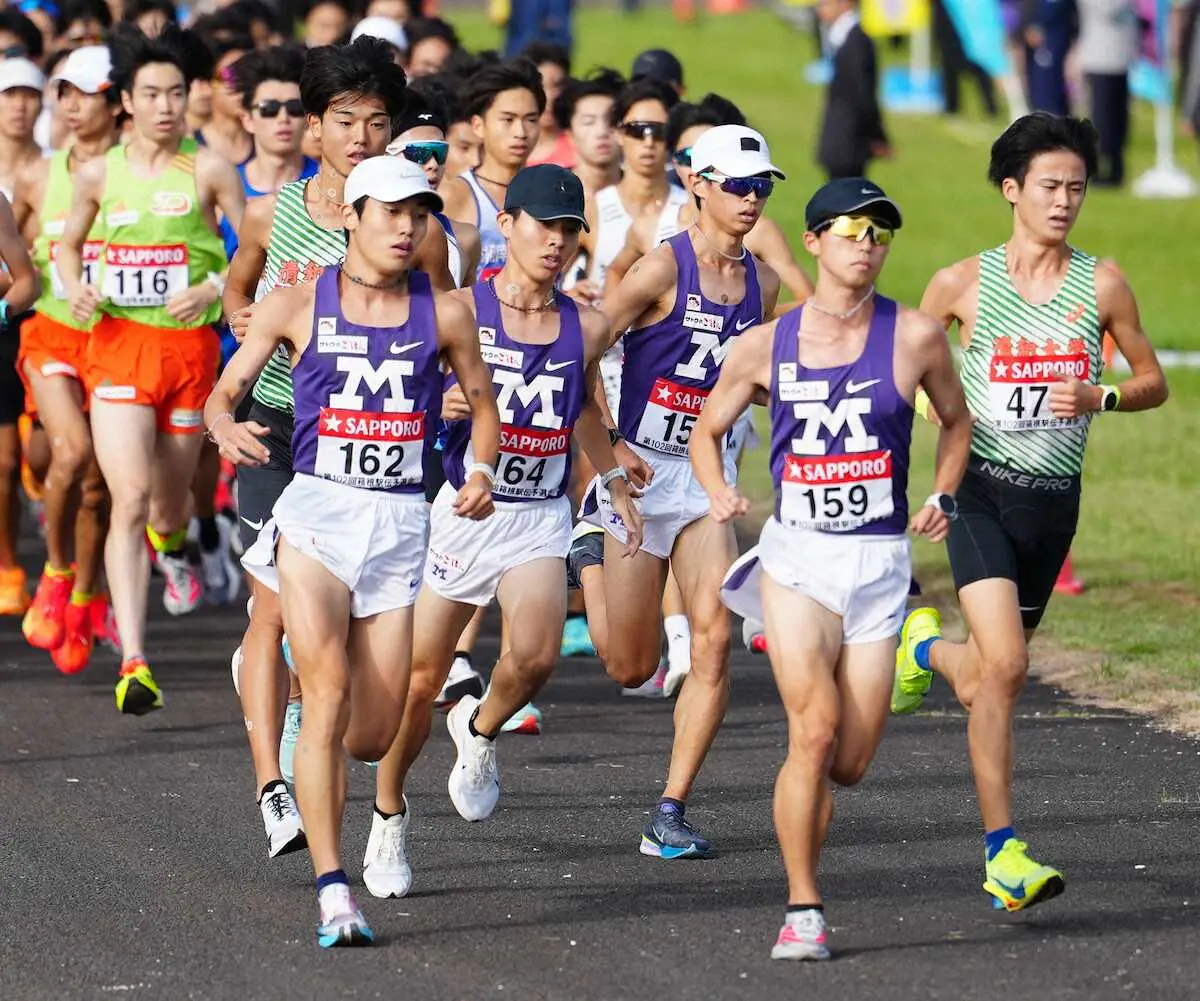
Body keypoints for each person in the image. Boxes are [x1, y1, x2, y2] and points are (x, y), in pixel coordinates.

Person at [207, 154, 500, 947]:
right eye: (391, 212)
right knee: (329, 694)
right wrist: (222, 424)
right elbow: (224, 392)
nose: (407, 227)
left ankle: (309, 704)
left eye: (418, 214)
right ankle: (334, 889)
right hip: (317, 515)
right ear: (352, 215)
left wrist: (479, 469)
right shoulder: (297, 303)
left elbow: (483, 405)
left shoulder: (446, 314)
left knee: (373, 732)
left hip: (398, 525)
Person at [895, 113, 1169, 911]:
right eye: (1050, 185)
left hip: (1053, 507)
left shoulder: (1103, 284)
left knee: (988, 675)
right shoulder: (961, 283)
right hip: (979, 492)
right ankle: (1003, 852)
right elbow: (908, 370)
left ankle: (925, 650)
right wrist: (934, 414)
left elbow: (1153, 380)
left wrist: (1101, 395)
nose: (1064, 201)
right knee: (1009, 669)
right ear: (1011, 189)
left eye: (1076, 188)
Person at [694, 178, 971, 960]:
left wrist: (944, 493)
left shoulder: (916, 336)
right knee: (812, 732)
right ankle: (803, 906)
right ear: (814, 242)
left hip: (879, 564)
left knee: (846, 763)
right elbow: (706, 430)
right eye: (852, 230)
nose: (867, 244)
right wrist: (717, 491)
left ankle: (813, 795)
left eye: (881, 232)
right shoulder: (765, 344)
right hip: (799, 561)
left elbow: (957, 423)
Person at [364, 164, 643, 898]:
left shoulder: (585, 324)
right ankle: (388, 812)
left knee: (538, 653)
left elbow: (585, 408)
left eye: (570, 230)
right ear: (510, 224)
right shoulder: (459, 310)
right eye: (544, 226)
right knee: (419, 682)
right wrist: (439, 403)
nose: (557, 242)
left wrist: (612, 479)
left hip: (539, 513)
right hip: (464, 511)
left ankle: (481, 728)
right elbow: (397, 389)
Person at [221, 37, 417, 857]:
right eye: (344, 121)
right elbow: (241, 280)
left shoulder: (406, 221)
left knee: (335, 655)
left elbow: (441, 317)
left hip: (365, 442)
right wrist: (242, 316)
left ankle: (310, 721)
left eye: (376, 122)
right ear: (314, 127)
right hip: (276, 425)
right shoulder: (273, 210)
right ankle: (273, 784)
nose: (361, 137)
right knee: (270, 609)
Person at [579, 125, 782, 857]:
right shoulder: (661, 268)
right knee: (630, 666)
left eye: (762, 187)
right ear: (698, 185)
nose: (752, 199)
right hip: (640, 476)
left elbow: (745, 378)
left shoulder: (764, 283)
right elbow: (583, 350)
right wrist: (611, 443)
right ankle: (587, 553)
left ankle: (669, 808)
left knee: (714, 641)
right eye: (738, 185)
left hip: (703, 479)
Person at [56, 23, 244, 714]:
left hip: (188, 354)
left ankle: (173, 539)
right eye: (151, 94)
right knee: (128, 498)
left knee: (168, 504)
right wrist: (75, 285)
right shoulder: (97, 172)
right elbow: (68, 246)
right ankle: (134, 659)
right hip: (118, 346)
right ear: (127, 102)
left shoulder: (211, 168)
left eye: (176, 93)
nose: (166, 106)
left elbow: (249, 252)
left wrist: (214, 284)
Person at [13, 44, 119, 669]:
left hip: (116, 342)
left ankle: (84, 596)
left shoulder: (141, 174)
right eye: (65, 93)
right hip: (51, 334)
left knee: (98, 488)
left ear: (118, 103)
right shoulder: (38, 175)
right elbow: (13, 246)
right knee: (69, 453)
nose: (73, 106)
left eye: (89, 94)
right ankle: (55, 571)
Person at [440, 57, 543, 283]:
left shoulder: (550, 192)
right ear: (478, 125)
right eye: (508, 119)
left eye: (531, 120)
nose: (520, 132)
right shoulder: (454, 195)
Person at [815, 0, 890, 180]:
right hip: (843, 142)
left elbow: (863, 93)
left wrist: (877, 136)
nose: (819, 9)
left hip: (850, 141)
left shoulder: (857, 41)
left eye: (825, 3)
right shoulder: (842, 37)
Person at [1075, 0, 1137, 187]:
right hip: (1100, 60)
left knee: (1119, 119)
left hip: (1121, 59)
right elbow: (1108, 9)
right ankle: (1099, 169)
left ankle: (1116, 167)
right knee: (1102, 118)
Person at [523, 42, 573, 167]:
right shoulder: (508, 150)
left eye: (557, 86)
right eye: (541, 86)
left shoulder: (579, 147)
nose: (550, 96)